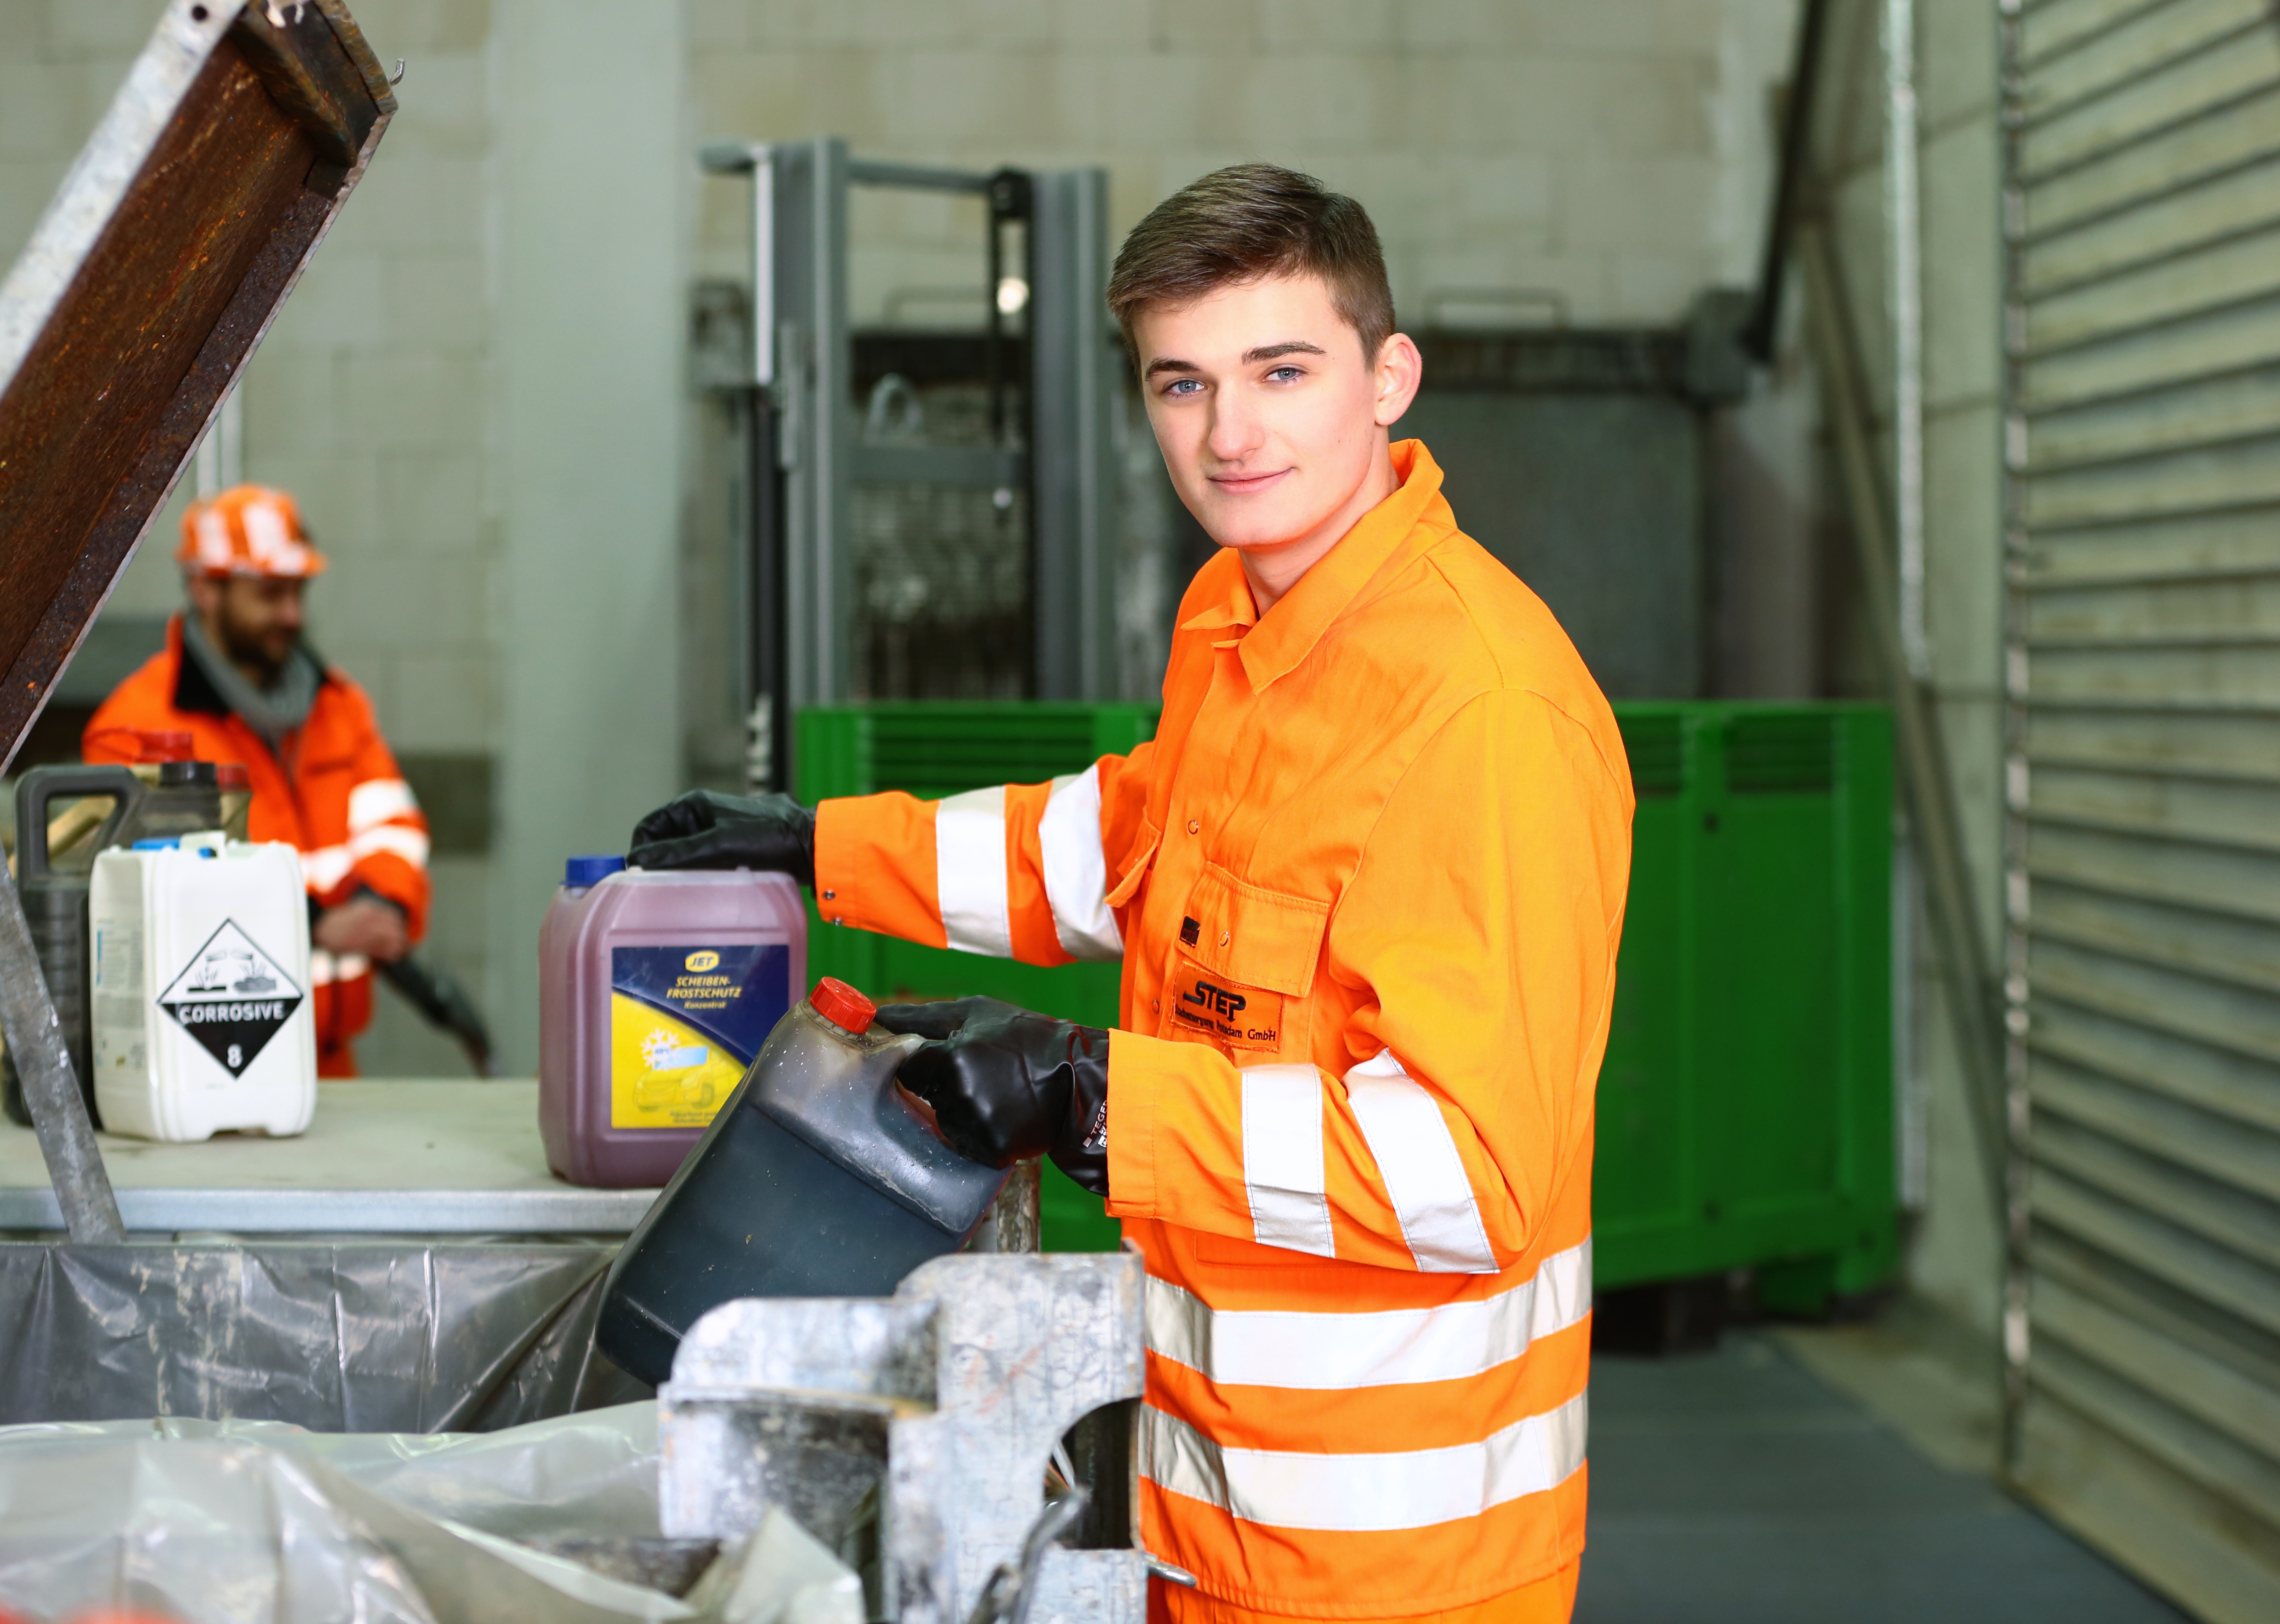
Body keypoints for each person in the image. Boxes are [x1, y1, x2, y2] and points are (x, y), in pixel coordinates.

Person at [632, 165, 1631, 1623]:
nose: (1230, 433)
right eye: (1182, 383)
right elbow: (1127, 845)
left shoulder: (1477, 712)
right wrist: (820, 845)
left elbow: (1471, 1175)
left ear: (1388, 377)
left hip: (1393, 1560)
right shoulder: (1245, 614)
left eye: (1281, 370)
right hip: (1203, 1504)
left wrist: (1089, 1091)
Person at [85, 484, 431, 1078]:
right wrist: (316, 923)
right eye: (270, 595)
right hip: (203, 1067)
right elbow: (155, 896)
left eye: (298, 593)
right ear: (206, 590)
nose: (291, 616)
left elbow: (395, 827)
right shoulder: (135, 729)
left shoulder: (337, 706)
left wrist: (382, 905)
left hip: (332, 1069)